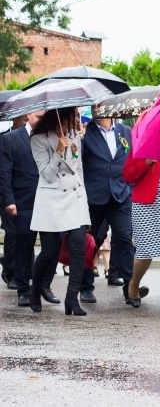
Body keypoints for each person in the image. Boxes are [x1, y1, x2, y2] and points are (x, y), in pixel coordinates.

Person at [29, 107, 91, 316]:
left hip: (75, 197)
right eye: (74, 116)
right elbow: (46, 174)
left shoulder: (75, 135)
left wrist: (85, 203)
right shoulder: (38, 139)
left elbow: (79, 168)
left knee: (78, 246)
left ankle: (71, 299)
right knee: (49, 251)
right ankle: (35, 290)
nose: (77, 120)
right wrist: (57, 151)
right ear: (62, 115)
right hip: (51, 199)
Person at [3, 110, 60, 307]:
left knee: (53, 245)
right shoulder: (10, 139)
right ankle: (23, 289)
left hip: (49, 199)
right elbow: (4, 172)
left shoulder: (53, 138)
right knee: (24, 245)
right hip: (23, 200)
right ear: (28, 115)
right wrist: (9, 200)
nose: (41, 121)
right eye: (38, 117)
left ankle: (44, 285)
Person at [121, 133, 160, 310]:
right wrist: (145, 162)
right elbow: (127, 175)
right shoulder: (142, 144)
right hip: (146, 203)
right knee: (145, 251)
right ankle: (133, 286)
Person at [80, 107, 134, 305]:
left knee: (124, 238)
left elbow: (132, 160)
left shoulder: (125, 132)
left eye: (102, 105)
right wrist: (79, 139)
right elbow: (78, 162)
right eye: (95, 106)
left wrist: (129, 187)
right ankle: (86, 287)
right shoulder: (86, 131)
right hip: (93, 196)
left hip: (120, 195)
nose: (98, 109)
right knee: (91, 241)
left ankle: (130, 287)